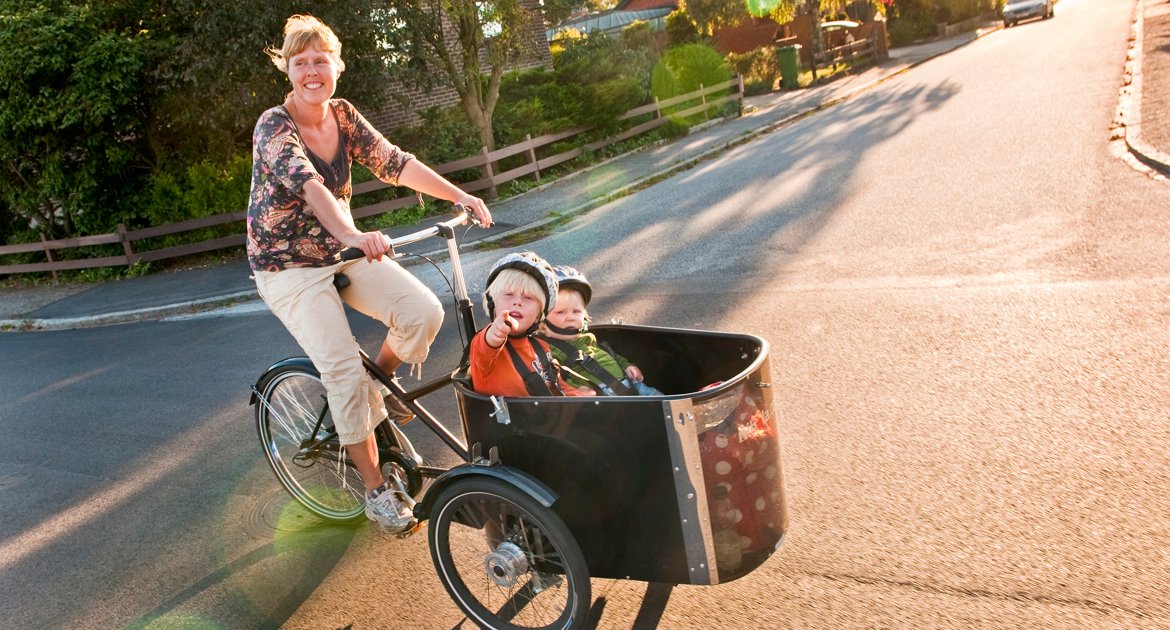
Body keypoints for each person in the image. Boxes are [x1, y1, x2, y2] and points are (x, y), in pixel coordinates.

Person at [247, 14, 493, 532]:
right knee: (340, 371)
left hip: (340, 250)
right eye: (301, 62)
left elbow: (394, 162)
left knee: (422, 312)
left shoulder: (343, 114)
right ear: (288, 70)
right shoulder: (274, 124)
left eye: (321, 60)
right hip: (288, 266)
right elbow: (311, 186)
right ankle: (376, 490)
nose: (312, 70)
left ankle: (379, 386)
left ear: (336, 65)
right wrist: (354, 236)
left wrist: (461, 195)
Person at [469, 252, 593, 398]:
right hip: (511, 419)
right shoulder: (485, 345)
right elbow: (487, 344)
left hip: (546, 416)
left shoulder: (541, 347)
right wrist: (496, 331)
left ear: (539, 314)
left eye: (528, 298)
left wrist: (577, 394)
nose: (517, 302)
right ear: (492, 303)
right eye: (509, 294)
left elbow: (555, 385)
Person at [540, 265, 663, 396]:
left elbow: (610, 356)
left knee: (665, 401)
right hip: (603, 396)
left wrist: (627, 366)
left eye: (576, 311)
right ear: (542, 320)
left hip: (632, 385)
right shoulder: (548, 349)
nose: (571, 317)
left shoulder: (587, 338)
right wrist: (576, 390)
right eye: (561, 312)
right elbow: (556, 379)